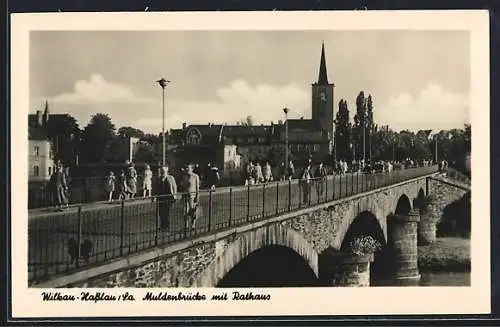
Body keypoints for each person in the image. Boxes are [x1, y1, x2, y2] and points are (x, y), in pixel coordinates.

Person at [157, 165, 178, 232]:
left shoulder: (170, 178)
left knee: (166, 212)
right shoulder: (159, 178)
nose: (162, 172)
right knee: (161, 213)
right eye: (161, 170)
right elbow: (156, 188)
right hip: (161, 197)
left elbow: (174, 186)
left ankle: (166, 226)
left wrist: (174, 195)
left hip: (168, 197)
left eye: (164, 170)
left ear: (167, 171)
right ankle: (162, 226)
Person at [182, 163, 200, 230]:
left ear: (192, 169)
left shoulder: (195, 176)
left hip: (192, 196)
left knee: (192, 211)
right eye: (186, 167)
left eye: (188, 168)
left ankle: (193, 225)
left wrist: (197, 197)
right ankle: (186, 226)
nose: (187, 169)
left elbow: (197, 187)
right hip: (186, 196)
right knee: (185, 211)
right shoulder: (184, 176)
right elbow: (183, 186)